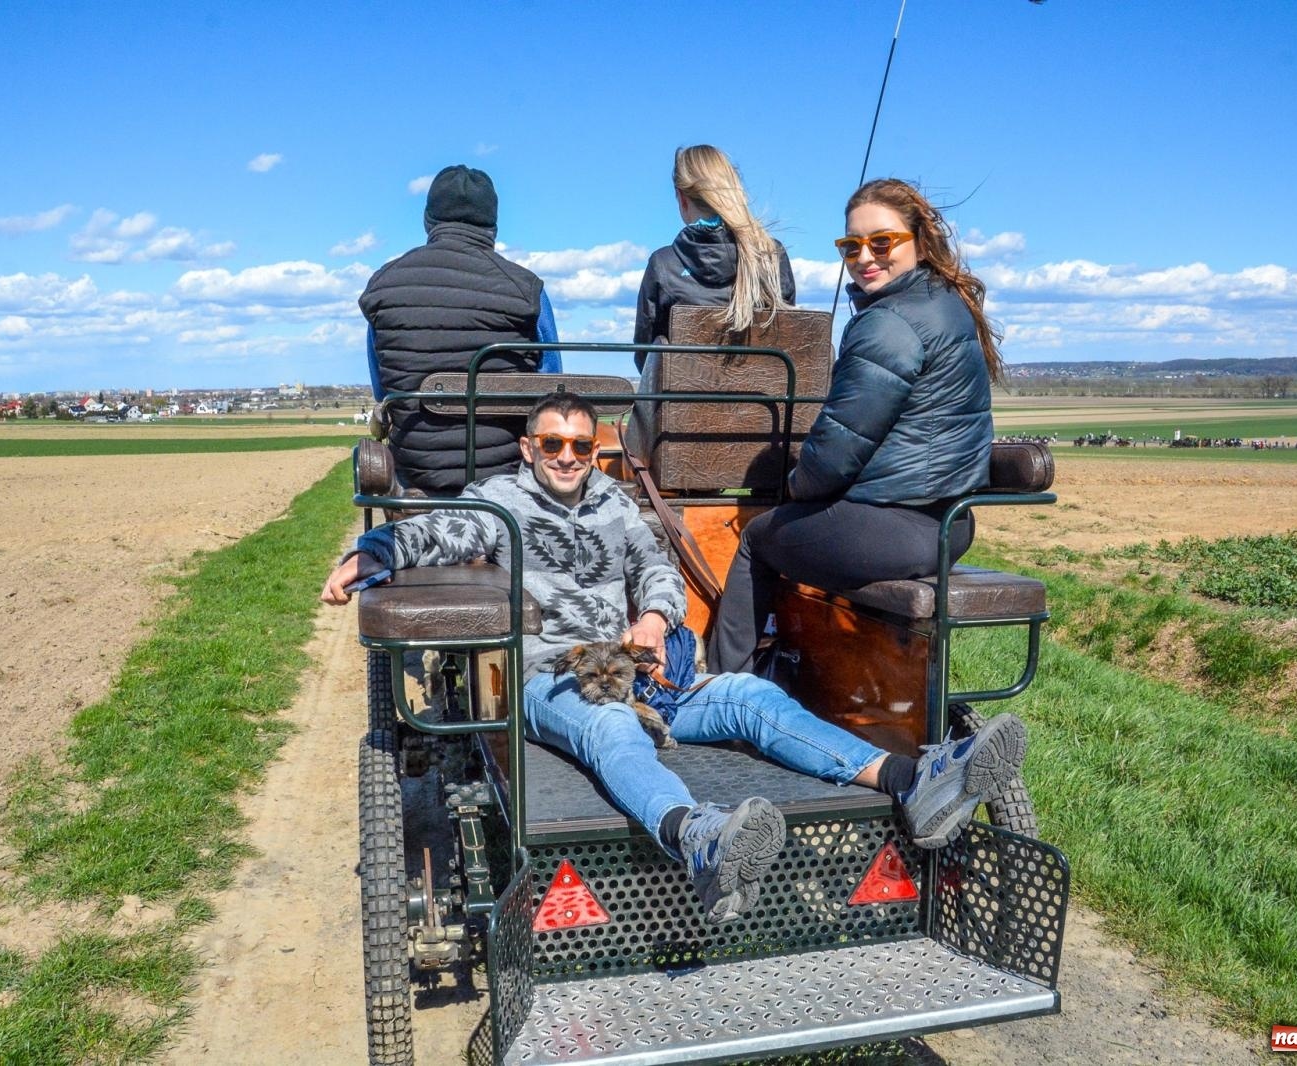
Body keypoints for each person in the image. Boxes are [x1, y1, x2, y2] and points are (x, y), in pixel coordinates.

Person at [322, 392, 1026, 925]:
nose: (567, 457)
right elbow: (440, 532)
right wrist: (373, 552)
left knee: (751, 697)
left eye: (580, 445)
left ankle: (910, 779)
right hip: (554, 677)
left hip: (640, 672)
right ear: (529, 449)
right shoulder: (498, 503)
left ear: (594, 449)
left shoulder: (614, 501)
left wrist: (657, 618)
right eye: (552, 444)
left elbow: (656, 567)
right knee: (610, 724)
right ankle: (698, 837)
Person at [708, 179, 1004, 675]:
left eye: (882, 242)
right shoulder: (946, 302)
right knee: (809, 525)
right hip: (951, 525)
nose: (865, 257)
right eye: (851, 246)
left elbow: (838, 449)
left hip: (897, 529)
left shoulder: (888, 323)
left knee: (759, 539)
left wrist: (795, 485)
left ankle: (721, 687)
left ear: (919, 241)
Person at [357, 164, 562, 496]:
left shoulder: (383, 285)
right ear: (493, 228)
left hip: (415, 475)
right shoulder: (526, 290)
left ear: (428, 221)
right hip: (506, 473)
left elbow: (383, 391)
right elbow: (551, 383)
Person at [625, 145, 796, 458]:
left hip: (680, 440)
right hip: (764, 440)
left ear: (682, 198)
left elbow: (647, 361)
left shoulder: (663, 265)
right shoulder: (773, 257)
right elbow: (785, 340)